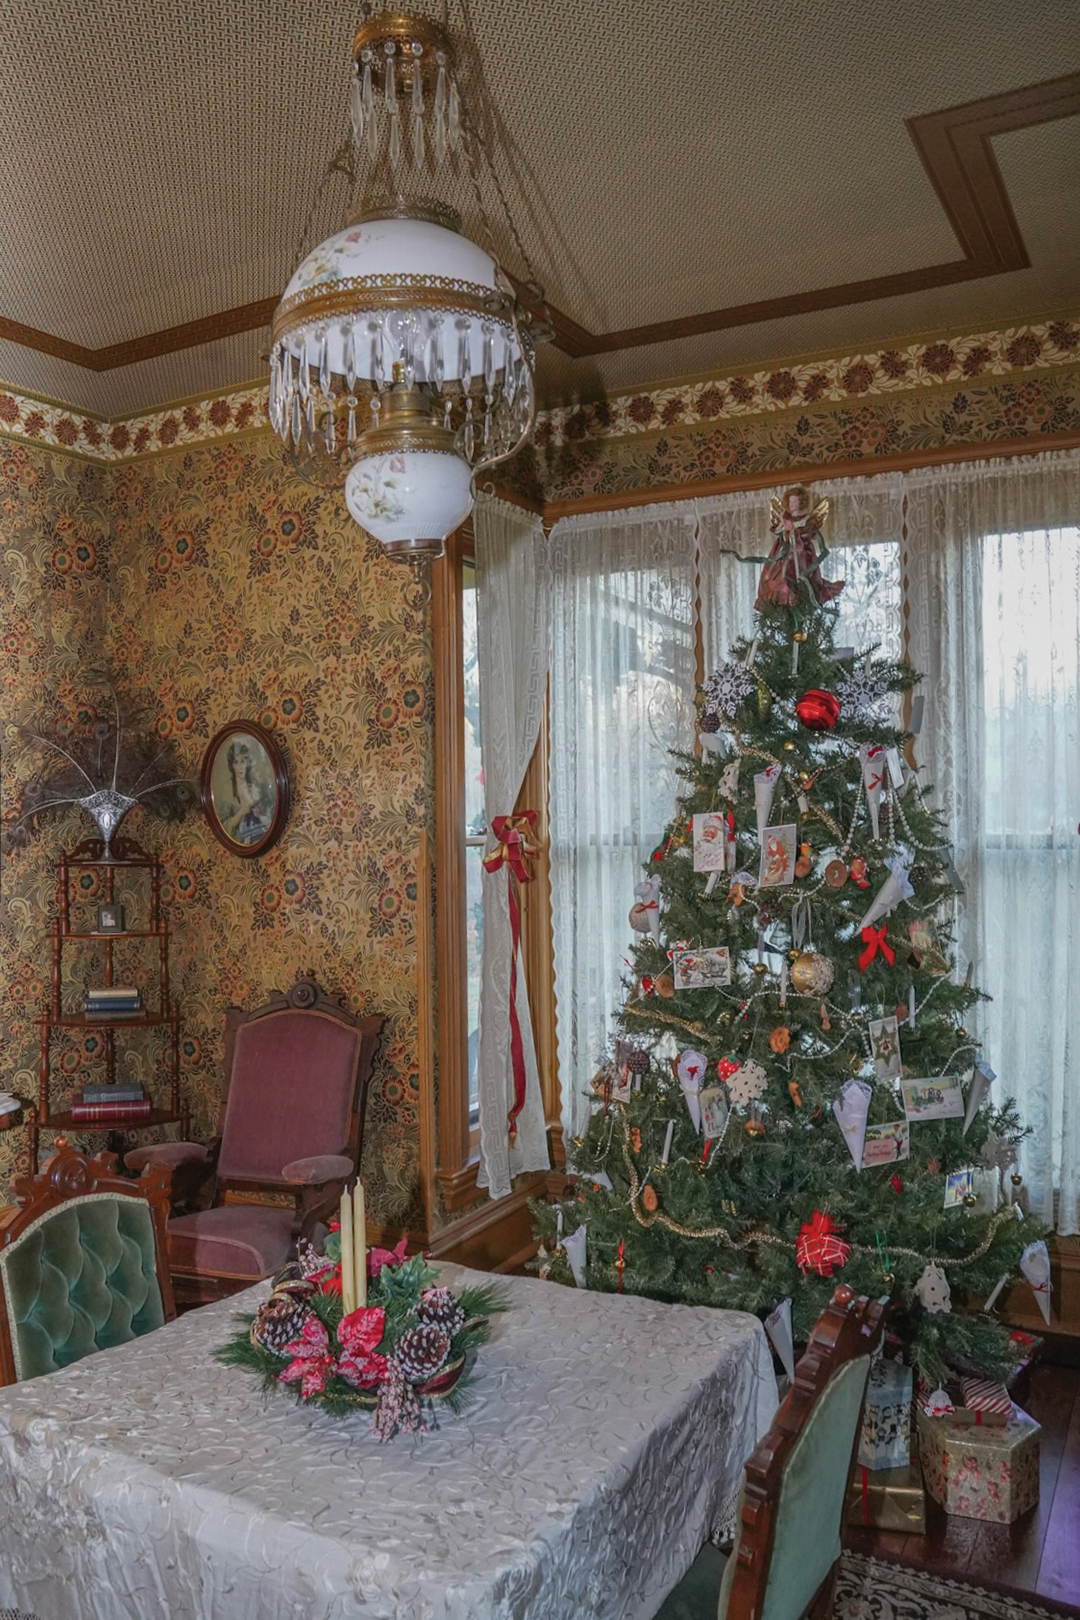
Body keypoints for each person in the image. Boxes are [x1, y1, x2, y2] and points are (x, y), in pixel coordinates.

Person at [756, 485, 845, 609]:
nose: (792, 504)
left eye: (795, 501)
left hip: (801, 549)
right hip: (785, 549)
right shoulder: (784, 517)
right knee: (780, 571)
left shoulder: (806, 519)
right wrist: (783, 528)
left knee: (799, 569)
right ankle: (785, 593)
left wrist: (797, 532)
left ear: (801, 502)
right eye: (790, 501)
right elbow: (777, 530)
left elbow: (809, 533)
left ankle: (798, 591)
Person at [220, 739, 273, 845]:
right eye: (236, 762)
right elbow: (224, 829)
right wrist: (240, 813)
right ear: (232, 765)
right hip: (242, 841)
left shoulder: (255, 785)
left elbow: (269, 815)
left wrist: (260, 815)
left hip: (262, 836)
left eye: (243, 761)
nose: (240, 767)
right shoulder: (227, 792)